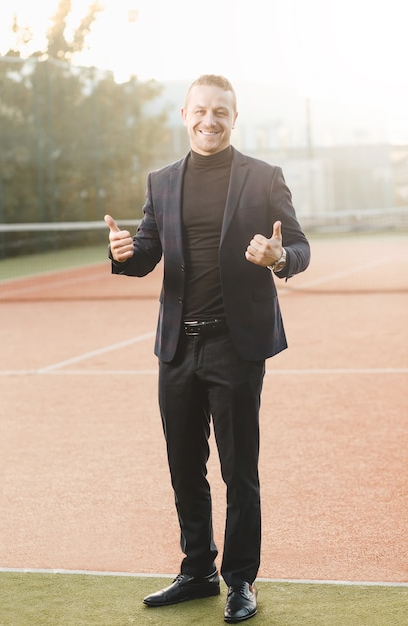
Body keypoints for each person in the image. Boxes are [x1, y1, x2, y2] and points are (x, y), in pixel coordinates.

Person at [104, 74, 310, 623]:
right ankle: (197, 570)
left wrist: (277, 255)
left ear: (234, 118)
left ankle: (240, 580)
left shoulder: (264, 178)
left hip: (236, 346)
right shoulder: (163, 182)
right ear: (185, 114)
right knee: (183, 465)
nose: (209, 120)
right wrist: (125, 251)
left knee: (239, 470)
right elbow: (147, 251)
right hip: (176, 347)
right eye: (200, 110)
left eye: (221, 111)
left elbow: (300, 246)